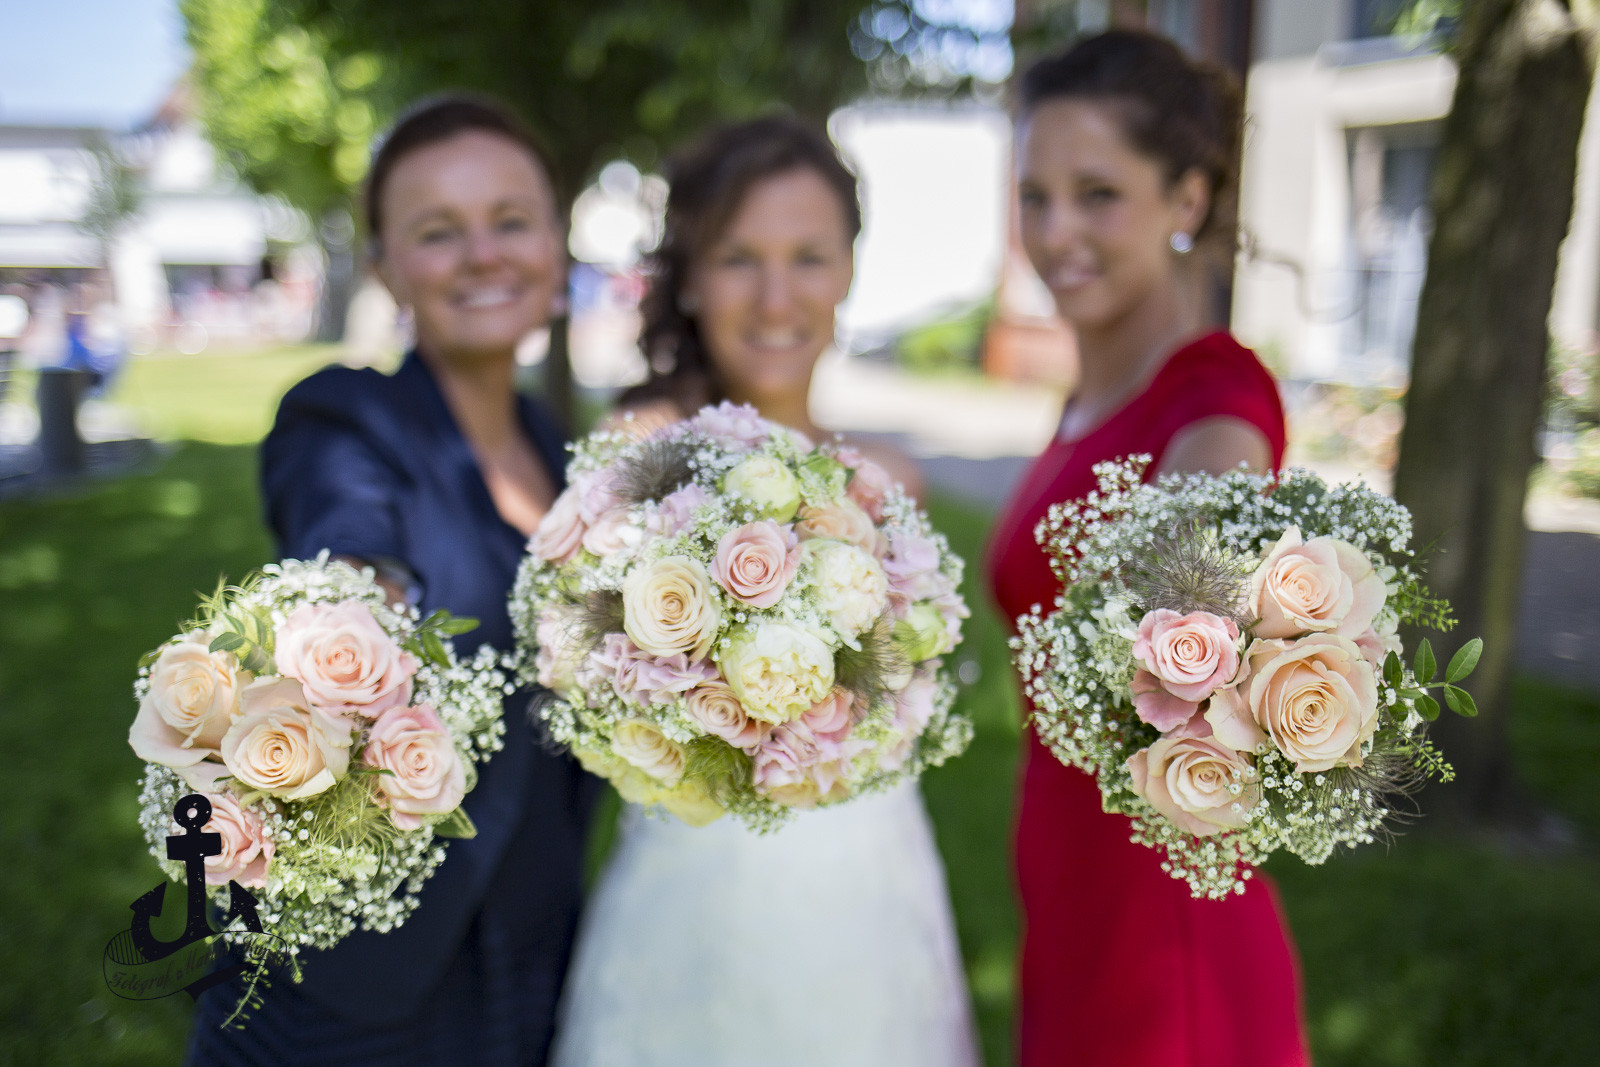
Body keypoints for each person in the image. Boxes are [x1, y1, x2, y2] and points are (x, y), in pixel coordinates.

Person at [550, 115, 979, 1067]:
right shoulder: (644, 459)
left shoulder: (891, 482)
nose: (777, 296)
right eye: (740, 257)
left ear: (849, 272)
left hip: (869, 881)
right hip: (698, 890)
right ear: (693, 278)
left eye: (809, 256)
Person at [186, 95, 596, 1065]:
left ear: (554, 243)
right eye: (437, 232)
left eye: (510, 221)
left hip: (534, 945)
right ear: (386, 268)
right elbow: (344, 537)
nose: (483, 255)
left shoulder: (560, 451)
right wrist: (360, 609)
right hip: (357, 979)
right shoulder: (344, 416)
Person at [984, 30, 1312, 1066]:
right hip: (1068, 896)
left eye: (1097, 194)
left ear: (1186, 199)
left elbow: (1207, 519)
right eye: (1034, 195)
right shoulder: (1087, 399)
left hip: (1166, 924)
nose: (1055, 231)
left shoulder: (1214, 396)